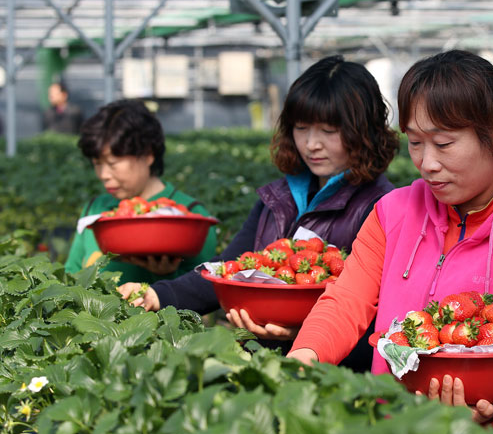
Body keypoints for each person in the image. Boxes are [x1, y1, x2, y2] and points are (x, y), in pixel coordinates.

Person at [284, 50, 493, 434]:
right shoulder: (393, 213)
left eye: (445, 143)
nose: (427, 164)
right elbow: (346, 300)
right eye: (415, 143)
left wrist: (491, 407)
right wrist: (303, 358)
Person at [119, 55, 399, 371]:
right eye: (301, 128)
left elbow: (385, 324)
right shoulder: (277, 198)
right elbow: (227, 269)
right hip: (260, 365)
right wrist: (156, 295)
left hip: (336, 382)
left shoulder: (382, 211)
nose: (311, 144)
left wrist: (310, 340)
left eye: (328, 130)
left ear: (365, 131)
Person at [65, 99, 217, 284]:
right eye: (97, 163)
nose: (104, 175)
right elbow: (71, 276)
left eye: (113, 164)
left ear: (148, 155)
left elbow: (204, 292)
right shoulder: (94, 210)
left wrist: (165, 276)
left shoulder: (191, 216)